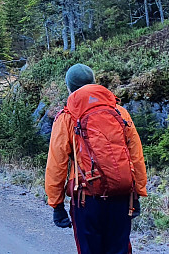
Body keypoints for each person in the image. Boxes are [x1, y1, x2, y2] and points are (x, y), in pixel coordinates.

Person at [44, 63, 148, 254]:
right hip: (121, 194)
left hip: (86, 198)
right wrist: (138, 192)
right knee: (120, 250)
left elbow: (56, 164)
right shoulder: (119, 112)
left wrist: (56, 204)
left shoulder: (68, 116)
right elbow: (136, 155)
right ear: (94, 82)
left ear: (69, 88)